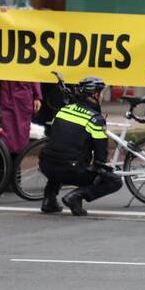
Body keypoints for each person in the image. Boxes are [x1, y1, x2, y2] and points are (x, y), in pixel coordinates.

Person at [40, 76, 122, 215]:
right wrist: (103, 170)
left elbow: (55, 136)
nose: (101, 95)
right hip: (71, 170)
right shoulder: (95, 119)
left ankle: (49, 199)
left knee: (59, 157)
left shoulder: (64, 109)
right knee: (115, 181)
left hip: (46, 165)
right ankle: (77, 196)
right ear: (95, 94)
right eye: (101, 92)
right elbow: (100, 154)